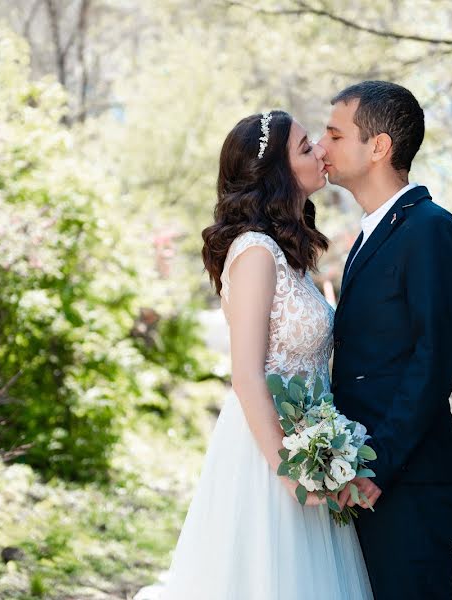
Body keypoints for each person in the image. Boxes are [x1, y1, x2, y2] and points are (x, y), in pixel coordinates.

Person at [157, 110, 372, 599]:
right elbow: (248, 376)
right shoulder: (255, 251)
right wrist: (291, 475)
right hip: (269, 458)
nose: (320, 149)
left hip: (310, 446)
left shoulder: (287, 253)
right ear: (276, 173)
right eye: (304, 148)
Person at [318, 80, 452, 600]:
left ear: (379, 147)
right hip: (369, 482)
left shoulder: (430, 229)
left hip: (409, 483)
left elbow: (434, 357)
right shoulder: (370, 234)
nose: (323, 147)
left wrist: (377, 464)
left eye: (335, 134)